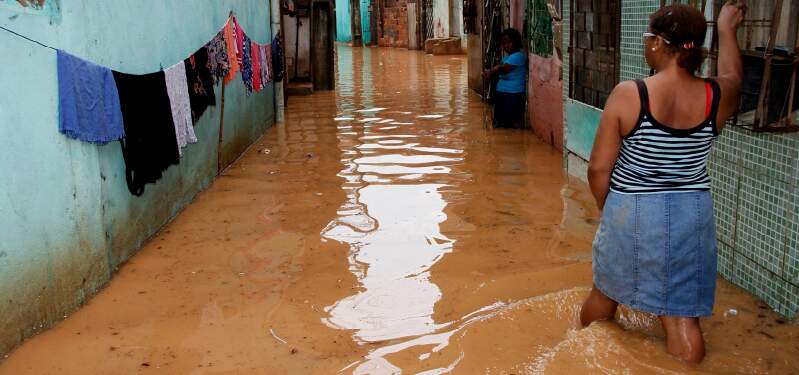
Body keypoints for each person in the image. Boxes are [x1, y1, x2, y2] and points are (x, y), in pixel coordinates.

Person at [579, 1, 746, 364]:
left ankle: (579, 361)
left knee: (605, 294)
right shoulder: (718, 95)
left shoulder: (630, 93)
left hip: (632, 208)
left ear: (656, 43)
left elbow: (597, 169)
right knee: (681, 315)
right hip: (692, 213)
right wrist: (727, 29)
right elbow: (734, 75)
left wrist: (607, 207)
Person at [483, 28, 527, 128]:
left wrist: (491, 71)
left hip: (513, 96)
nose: (506, 46)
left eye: (509, 42)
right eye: (504, 43)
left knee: (512, 125)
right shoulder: (507, 57)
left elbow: (503, 69)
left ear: (515, 42)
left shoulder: (518, 56)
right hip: (503, 95)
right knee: (501, 126)